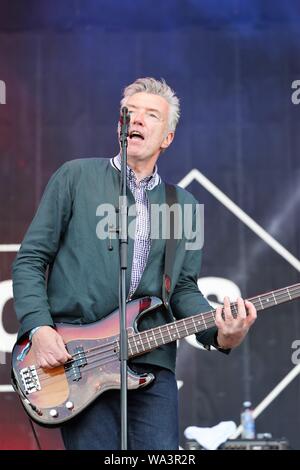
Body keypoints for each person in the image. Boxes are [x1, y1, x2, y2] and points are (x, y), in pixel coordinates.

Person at [12, 77, 257, 450]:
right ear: (119, 125)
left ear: (167, 138)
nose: (137, 120)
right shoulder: (75, 177)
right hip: (77, 358)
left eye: (151, 115)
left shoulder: (184, 206)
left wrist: (222, 334)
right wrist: (40, 328)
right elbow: (31, 259)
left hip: (151, 365)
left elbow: (184, 288)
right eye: (130, 113)